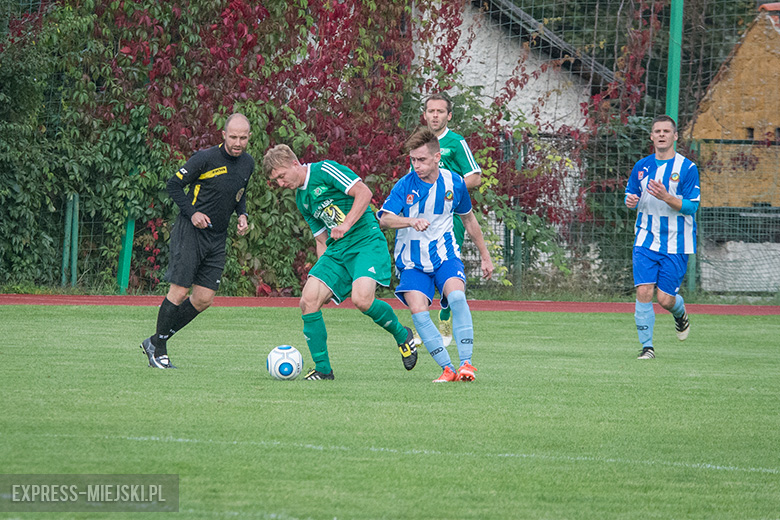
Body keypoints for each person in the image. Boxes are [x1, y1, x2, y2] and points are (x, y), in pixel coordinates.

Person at [262, 144, 417, 380]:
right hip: (337, 250)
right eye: (277, 181)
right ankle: (323, 370)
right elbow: (321, 239)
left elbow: (364, 192)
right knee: (308, 300)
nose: (281, 184)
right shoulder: (301, 198)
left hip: (366, 241)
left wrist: (346, 225)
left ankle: (401, 334)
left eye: (282, 176)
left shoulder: (324, 170)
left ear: (295, 164)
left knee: (362, 300)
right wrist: (323, 273)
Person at [378, 128, 494, 382]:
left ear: (437, 157)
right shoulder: (405, 184)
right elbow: (385, 219)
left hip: (445, 255)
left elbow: (469, 220)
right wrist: (410, 221)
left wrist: (485, 256)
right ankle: (447, 369)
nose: (416, 165)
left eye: (422, 160)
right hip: (412, 261)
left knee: (458, 298)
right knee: (419, 311)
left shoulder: (454, 182)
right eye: (413, 160)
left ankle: (466, 365)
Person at [139, 113, 254, 368]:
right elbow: (173, 186)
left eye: (243, 138)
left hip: (217, 237)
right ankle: (159, 350)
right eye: (233, 137)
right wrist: (193, 214)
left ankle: (154, 340)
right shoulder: (205, 158)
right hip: (190, 233)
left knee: (203, 299)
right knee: (179, 292)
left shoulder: (248, 163)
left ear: (249, 138)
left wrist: (242, 214)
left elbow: (239, 193)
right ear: (223, 135)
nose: (237, 142)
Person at [625, 115, 700, 359]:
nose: (661, 135)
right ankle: (647, 347)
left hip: (676, 241)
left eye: (666, 131)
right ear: (651, 136)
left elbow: (691, 207)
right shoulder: (641, 167)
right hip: (645, 238)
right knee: (644, 291)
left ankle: (679, 313)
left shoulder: (687, 168)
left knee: (665, 300)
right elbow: (630, 196)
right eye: (657, 131)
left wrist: (667, 196)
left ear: (675, 136)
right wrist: (630, 201)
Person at [420, 93, 482, 346]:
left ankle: (445, 319)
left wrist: (446, 193)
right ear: (424, 115)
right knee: (419, 268)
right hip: (421, 220)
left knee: (445, 266)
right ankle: (424, 327)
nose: (435, 115)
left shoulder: (455, 142)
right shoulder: (420, 142)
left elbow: (475, 177)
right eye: (431, 111)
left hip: (449, 218)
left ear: (449, 115)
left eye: (440, 111)